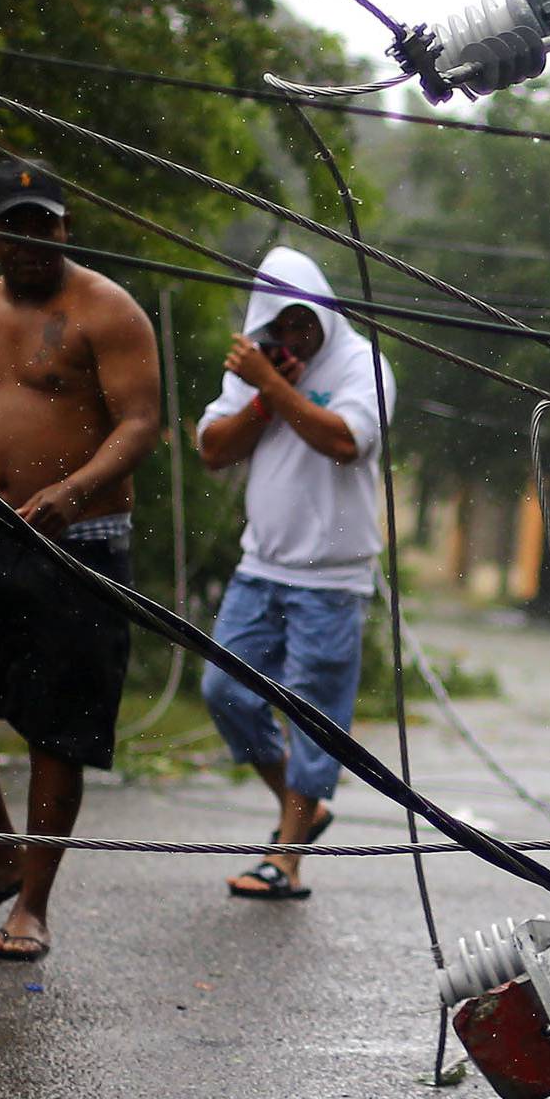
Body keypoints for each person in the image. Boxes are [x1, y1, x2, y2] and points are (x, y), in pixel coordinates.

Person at [0, 156, 162, 961]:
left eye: (45, 226)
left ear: (66, 228)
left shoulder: (109, 309)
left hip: (80, 544)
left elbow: (140, 423)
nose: (30, 241)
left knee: (58, 728)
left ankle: (33, 903)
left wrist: (76, 489)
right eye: (14, 227)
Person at [197, 243, 395, 900]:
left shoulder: (364, 364)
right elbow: (212, 450)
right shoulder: (257, 368)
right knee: (224, 692)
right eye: (281, 328)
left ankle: (285, 857)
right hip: (262, 564)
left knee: (314, 716)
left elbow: (344, 441)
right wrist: (259, 396)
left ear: (326, 315)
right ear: (264, 327)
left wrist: (273, 384)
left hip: (332, 579)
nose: (296, 339)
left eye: (305, 325)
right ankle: (301, 805)